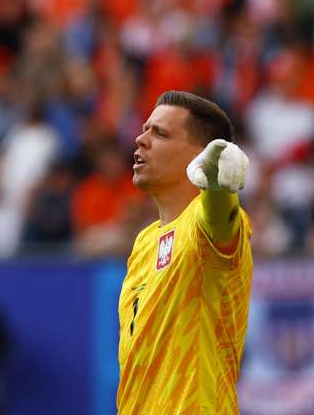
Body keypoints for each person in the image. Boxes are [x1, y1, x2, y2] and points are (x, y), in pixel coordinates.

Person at [117, 90, 252, 413]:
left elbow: (219, 220)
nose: (140, 139)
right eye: (145, 128)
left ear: (199, 156)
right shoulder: (145, 242)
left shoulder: (205, 225)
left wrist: (218, 185)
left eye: (159, 133)